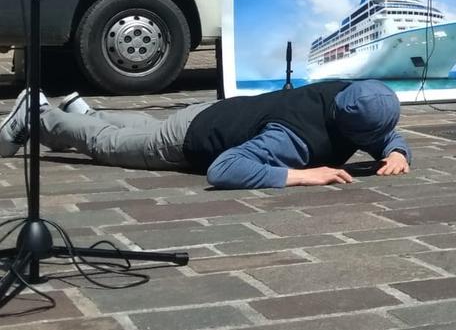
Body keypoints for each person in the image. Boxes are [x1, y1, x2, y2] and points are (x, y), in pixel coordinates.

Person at [0, 80, 411, 190]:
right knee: (108, 147)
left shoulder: (342, 93)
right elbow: (224, 168)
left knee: (144, 128)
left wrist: (396, 151)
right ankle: (38, 116)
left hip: (217, 112)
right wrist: (302, 175)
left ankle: (80, 112)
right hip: (190, 142)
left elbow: (376, 132)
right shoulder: (292, 140)